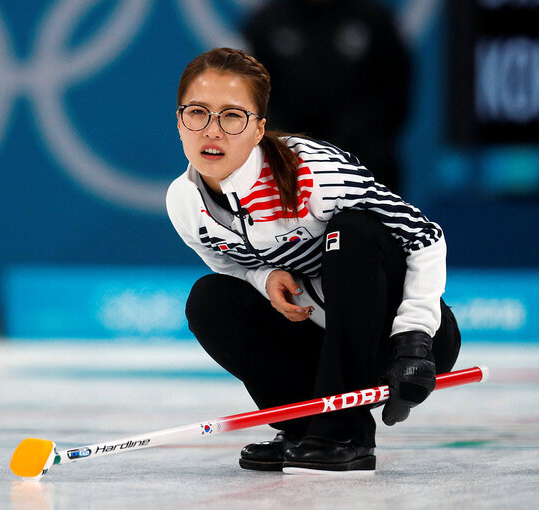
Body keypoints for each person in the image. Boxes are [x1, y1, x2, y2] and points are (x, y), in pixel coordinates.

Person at [166, 48, 460, 474]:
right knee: (209, 300)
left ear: (258, 128)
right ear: (179, 121)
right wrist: (264, 276)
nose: (212, 131)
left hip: (401, 340)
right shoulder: (184, 202)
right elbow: (228, 266)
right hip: (318, 340)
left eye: (232, 116)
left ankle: (343, 432)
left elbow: (424, 237)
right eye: (198, 113)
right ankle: (305, 427)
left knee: (353, 231)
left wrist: (413, 340)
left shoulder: (314, 174)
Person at [241, 0, 410, 193]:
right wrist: (295, 143)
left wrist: (346, 142)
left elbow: (392, 93)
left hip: (363, 163)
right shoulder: (266, 23)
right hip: (288, 164)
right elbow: (253, 96)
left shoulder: (372, 20)